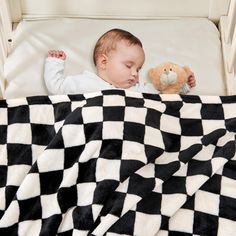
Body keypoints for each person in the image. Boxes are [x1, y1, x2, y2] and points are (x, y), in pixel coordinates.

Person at [44, 28, 196, 95]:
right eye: (129, 66)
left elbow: (165, 93)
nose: (134, 74)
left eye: (138, 69)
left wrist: (183, 85)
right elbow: (56, 87)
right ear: (104, 62)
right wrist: (54, 63)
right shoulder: (83, 83)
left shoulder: (138, 89)